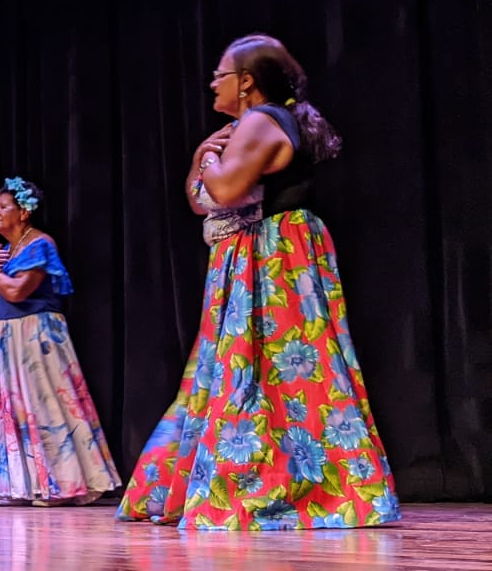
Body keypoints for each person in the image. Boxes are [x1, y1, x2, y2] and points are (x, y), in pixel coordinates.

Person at [119, 34, 399, 529]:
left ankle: (273, 483)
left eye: (220, 73)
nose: (212, 82)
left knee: (276, 371)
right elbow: (201, 199)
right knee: (256, 371)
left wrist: (206, 162)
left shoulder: (261, 121)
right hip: (257, 254)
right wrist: (202, 158)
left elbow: (222, 188)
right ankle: (274, 477)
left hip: (274, 256)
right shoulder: (253, 124)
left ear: (246, 81)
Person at [0, 178, 120, 505]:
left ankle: (62, 484)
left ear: (23, 212)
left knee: (46, 407)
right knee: (12, 410)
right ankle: (22, 484)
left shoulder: (40, 245)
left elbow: (17, 290)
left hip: (35, 335)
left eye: (3, 207)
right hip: (5, 335)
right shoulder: (5, 251)